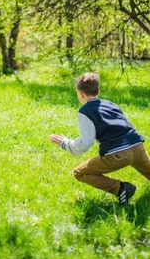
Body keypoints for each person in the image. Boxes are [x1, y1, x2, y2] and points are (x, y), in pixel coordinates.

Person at [49, 72, 150, 206]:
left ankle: (121, 189)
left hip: (117, 154)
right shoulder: (111, 104)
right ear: (98, 90)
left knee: (79, 173)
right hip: (137, 146)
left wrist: (65, 143)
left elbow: (85, 142)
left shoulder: (85, 111)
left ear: (81, 94)